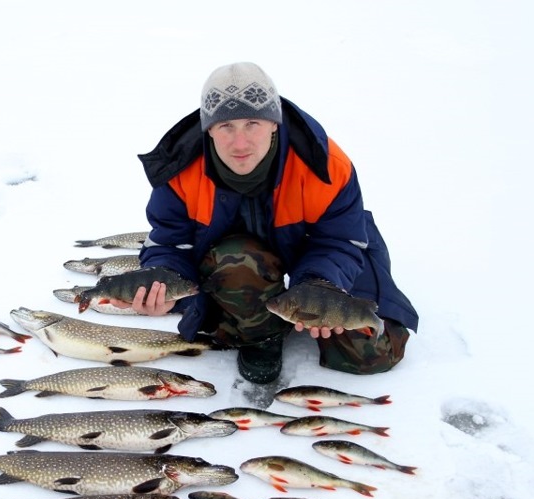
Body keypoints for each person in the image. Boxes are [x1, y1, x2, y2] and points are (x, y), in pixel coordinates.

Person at [113, 61, 419, 384]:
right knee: (237, 258)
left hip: (315, 249)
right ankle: (262, 335)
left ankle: (309, 299)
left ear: (275, 122)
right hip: (238, 263)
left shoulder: (327, 165)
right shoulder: (179, 172)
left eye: (252, 123)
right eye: (225, 126)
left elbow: (341, 240)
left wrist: (321, 283)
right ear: (209, 129)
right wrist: (168, 288)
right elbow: (169, 245)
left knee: (374, 352)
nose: (240, 143)